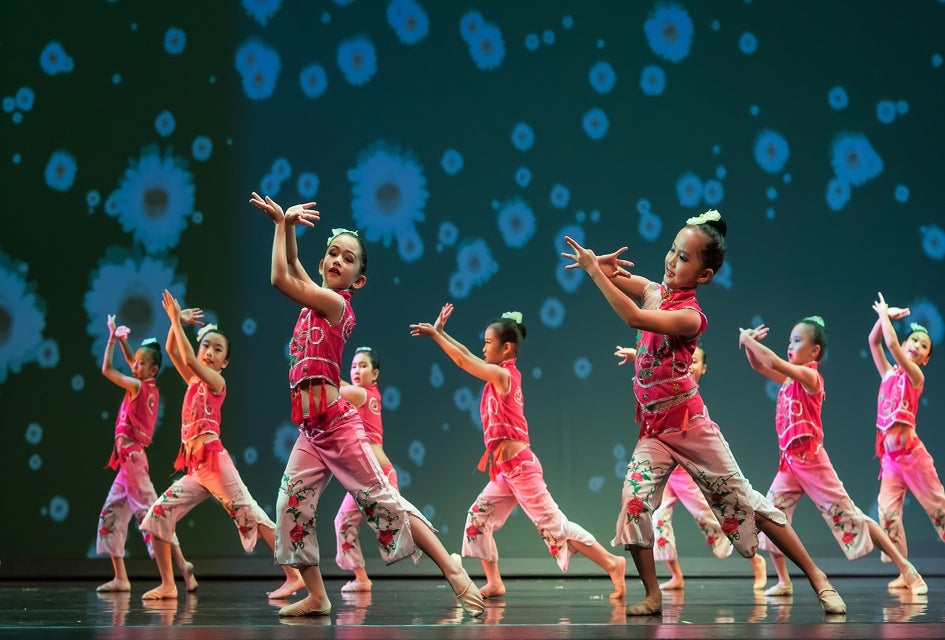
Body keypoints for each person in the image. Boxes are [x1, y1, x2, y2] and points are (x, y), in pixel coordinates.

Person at [562, 209, 846, 617]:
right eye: (672, 252)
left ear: (704, 275)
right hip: (654, 432)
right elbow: (628, 290)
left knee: (746, 502)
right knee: (635, 501)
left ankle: (818, 579)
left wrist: (594, 272)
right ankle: (653, 594)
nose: (671, 261)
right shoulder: (654, 290)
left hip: (689, 427)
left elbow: (634, 317)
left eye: (683, 258)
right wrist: (604, 268)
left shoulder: (690, 316)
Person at [249, 192, 484, 618]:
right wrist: (282, 226)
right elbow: (295, 269)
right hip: (311, 431)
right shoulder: (316, 296)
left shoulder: (336, 305)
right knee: (291, 504)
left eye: (349, 258)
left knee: (385, 503)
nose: (338, 260)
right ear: (323, 264)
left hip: (338, 426)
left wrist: (284, 227)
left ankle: (454, 571)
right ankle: (318, 596)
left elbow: (281, 279)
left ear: (358, 279)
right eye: (332, 254)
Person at [411, 305, 627, 600]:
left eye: (488, 343)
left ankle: (613, 564)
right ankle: (495, 582)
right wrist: (441, 332)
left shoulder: (504, 376)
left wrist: (436, 336)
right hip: (504, 471)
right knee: (478, 517)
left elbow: (463, 361)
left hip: (521, 468)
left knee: (556, 525)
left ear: (506, 348)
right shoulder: (496, 375)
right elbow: (468, 356)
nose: (483, 348)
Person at [738, 313, 928, 597]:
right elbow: (760, 365)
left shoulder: (810, 376)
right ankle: (784, 581)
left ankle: (906, 568)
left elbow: (774, 361)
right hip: (789, 464)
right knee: (771, 515)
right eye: (790, 340)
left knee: (850, 515)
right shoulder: (790, 379)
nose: (791, 345)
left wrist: (749, 342)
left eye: (798, 340)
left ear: (814, 351)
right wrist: (749, 345)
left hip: (812, 461)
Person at [139, 290, 304, 601]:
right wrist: (178, 324)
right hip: (196, 468)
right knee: (158, 514)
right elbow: (176, 353)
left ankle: (294, 575)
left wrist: (175, 319)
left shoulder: (217, 383)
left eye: (218, 350)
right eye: (206, 346)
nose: (209, 353)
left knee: (252, 514)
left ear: (224, 363)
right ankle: (168, 584)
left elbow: (186, 357)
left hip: (215, 463)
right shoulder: (193, 382)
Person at [615, 344, 767, 591]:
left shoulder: (689, 390)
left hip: (686, 467)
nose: (691, 365)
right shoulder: (671, 376)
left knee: (710, 519)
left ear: (703, 368)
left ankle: (756, 560)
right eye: (689, 360)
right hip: (666, 467)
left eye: (696, 362)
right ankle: (675, 575)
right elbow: (659, 367)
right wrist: (637, 355)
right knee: (659, 522)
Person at [95, 315, 197, 594]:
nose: (134, 365)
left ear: (152, 369)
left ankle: (180, 566)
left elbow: (106, 369)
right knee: (112, 513)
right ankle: (121, 577)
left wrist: (112, 340)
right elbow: (132, 363)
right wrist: (124, 342)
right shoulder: (146, 383)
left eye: (140, 363)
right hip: (127, 463)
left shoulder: (138, 386)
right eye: (134, 361)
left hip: (133, 461)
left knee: (152, 514)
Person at [868, 292, 944, 586]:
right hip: (890, 461)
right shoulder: (888, 373)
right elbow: (876, 342)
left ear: (924, 360)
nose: (916, 346)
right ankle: (905, 572)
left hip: (912, 456)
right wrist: (881, 318)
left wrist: (885, 314)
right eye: (913, 340)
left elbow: (889, 344)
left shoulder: (915, 376)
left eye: (923, 346)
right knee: (887, 514)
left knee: (938, 508)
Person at [332, 346, 395, 593]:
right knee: (343, 521)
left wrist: (320, 365)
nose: (357, 370)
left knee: (400, 529)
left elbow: (335, 387)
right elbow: (339, 383)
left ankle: (448, 564)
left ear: (375, 374)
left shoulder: (364, 395)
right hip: (363, 479)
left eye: (364, 366)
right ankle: (361, 577)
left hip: (381, 477)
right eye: (354, 365)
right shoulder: (361, 393)